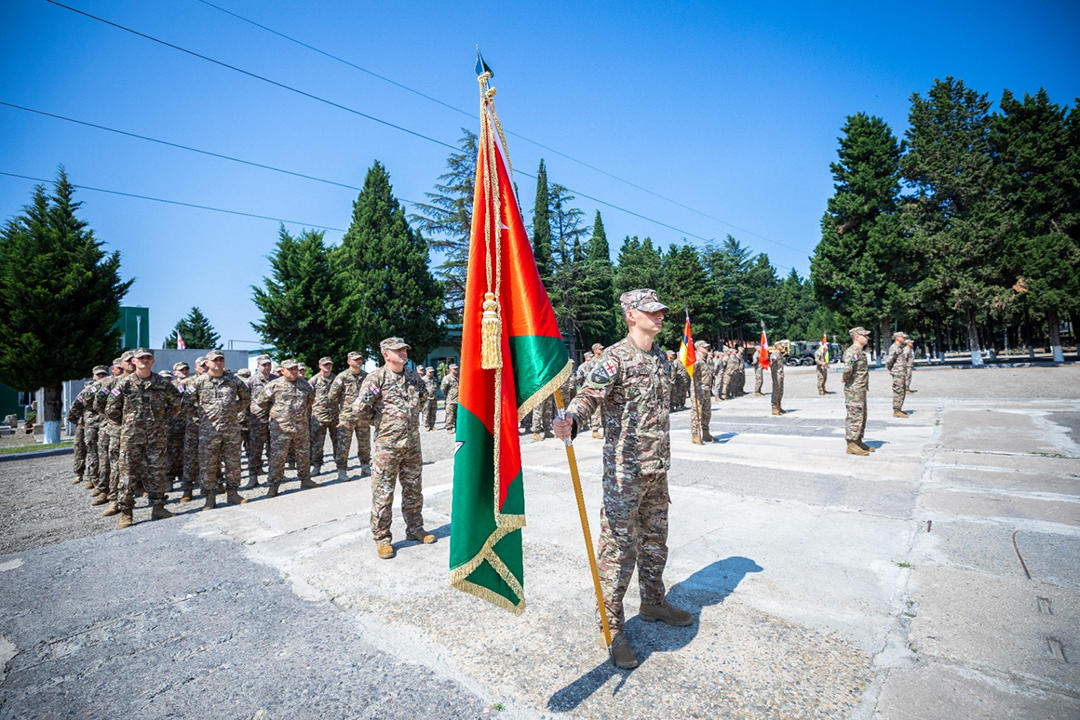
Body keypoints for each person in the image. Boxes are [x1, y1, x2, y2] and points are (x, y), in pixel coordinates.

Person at [553, 288, 692, 670]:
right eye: (651, 311)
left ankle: (652, 603)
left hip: (657, 469)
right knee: (618, 550)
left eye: (661, 311)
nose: (660, 316)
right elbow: (587, 397)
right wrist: (572, 421)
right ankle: (611, 626)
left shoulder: (661, 358)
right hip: (624, 474)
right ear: (631, 315)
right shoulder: (614, 358)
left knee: (654, 542)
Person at [353, 337, 435, 559]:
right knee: (383, 493)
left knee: (413, 489)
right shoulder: (376, 379)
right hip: (387, 446)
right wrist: (380, 422)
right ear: (386, 354)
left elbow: (425, 398)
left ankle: (415, 528)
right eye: (398, 351)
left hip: (411, 444)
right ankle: (382, 538)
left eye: (405, 350)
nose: (404, 354)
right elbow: (359, 409)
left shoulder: (412, 376)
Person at [105, 348, 182, 529]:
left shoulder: (162, 383)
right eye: (141, 358)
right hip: (131, 437)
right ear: (134, 361)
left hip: (156, 436)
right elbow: (110, 409)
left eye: (148, 358)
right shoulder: (125, 384)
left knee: (157, 472)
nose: (144, 361)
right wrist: (127, 423)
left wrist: (162, 418)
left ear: (152, 361)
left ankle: (158, 509)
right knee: (127, 475)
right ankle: (126, 514)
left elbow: (177, 403)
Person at [192, 350, 251, 509]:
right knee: (208, 465)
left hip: (231, 429)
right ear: (207, 363)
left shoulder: (234, 380)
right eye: (215, 360)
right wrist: (201, 419)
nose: (218, 363)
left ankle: (232, 493)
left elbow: (246, 398)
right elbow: (186, 404)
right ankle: (209, 498)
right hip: (208, 431)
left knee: (233, 463)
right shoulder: (199, 382)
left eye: (221, 360)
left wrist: (234, 410)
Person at [255, 358, 317, 498]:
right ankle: (273, 486)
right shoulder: (274, 385)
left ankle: (305, 479)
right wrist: (277, 413)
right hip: (280, 428)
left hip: (301, 427)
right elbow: (261, 402)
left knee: (303, 455)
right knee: (277, 457)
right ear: (282, 371)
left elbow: (310, 401)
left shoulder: (305, 385)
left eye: (295, 368)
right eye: (290, 369)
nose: (294, 371)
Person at [328, 351, 372, 481]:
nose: (358, 361)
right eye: (355, 360)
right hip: (347, 417)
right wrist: (345, 407)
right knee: (343, 445)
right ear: (349, 362)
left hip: (363, 416)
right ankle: (342, 470)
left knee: (365, 444)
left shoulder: (367, 377)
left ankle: (365, 467)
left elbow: (373, 393)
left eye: (360, 359)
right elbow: (332, 396)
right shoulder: (342, 377)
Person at [95, 355, 129, 516]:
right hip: (116, 430)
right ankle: (111, 497)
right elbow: (97, 402)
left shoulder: (142, 381)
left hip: (138, 431)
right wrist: (114, 418)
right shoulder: (111, 383)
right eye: (126, 362)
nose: (129, 364)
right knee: (115, 464)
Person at [843, 327, 873, 455]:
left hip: (860, 388)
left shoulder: (860, 352)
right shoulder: (852, 351)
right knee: (854, 416)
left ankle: (858, 440)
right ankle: (851, 444)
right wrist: (845, 379)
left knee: (861, 415)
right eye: (864, 335)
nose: (867, 338)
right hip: (854, 389)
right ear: (857, 337)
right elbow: (847, 369)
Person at [246, 355, 274, 487]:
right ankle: (253, 477)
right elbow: (244, 401)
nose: (267, 367)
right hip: (257, 421)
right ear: (258, 366)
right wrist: (248, 418)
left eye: (268, 364)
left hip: (275, 419)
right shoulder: (251, 381)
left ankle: (274, 475)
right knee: (255, 450)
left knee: (274, 449)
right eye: (264, 365)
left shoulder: (276, 380)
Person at [309, 356, 338, 476]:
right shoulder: (314, 380)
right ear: (320, 366)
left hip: (335, 416)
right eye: (325, 364)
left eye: (329, 364)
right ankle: (316, 466)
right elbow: (308, 397)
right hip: (319, 417)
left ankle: (340, 465)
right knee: (317, 444)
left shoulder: (336, 379)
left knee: (338, 442)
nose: (328, 366)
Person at [692, 341, 714, 443]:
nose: (707, 348)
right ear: (698, 348)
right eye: (705, 347)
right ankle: (696, 435)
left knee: (706, 412)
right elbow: (691, 373)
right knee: (697, 412)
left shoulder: (705, 360)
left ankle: (706, 433)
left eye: (707, 347)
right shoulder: (695, 359)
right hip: (698, 389)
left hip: (706, 389)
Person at [886, 331, 909, 418]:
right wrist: (890, 368)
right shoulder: (894, 347)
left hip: (901, 372)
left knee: (902, 391)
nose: (904, 339)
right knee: (898, 391)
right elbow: (890, 360)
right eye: (902, 337)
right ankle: (896, 410)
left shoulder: (899, 347)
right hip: (897, 373)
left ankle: (899, 409)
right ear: (897, 338)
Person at [769, 340, 789, 415]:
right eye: (781, 345)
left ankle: (778, 407)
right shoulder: (774, 354)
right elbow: (772, 363)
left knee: (780, 391)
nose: (783, 346)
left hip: (780, 375)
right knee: (776, 391)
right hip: (776, 376)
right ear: (777, 346)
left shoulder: (779, 354)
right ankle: (774, 408)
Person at [441, 363, 459, 433]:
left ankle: (457, 428)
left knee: (457, 415)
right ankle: (449, 428)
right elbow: (443, 389)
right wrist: (448, 396)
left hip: (458, 400)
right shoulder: (447, 378)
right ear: (450, 370)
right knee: (450, 414)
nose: (456, 370)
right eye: (454, 369)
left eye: (457, 368)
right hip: (451, 400)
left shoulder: (457, 377)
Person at [422, 367, 438, 431]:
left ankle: (432, 425)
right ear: (426, 372)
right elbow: (420, 389)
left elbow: (437, 387)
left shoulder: (434, 379)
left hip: (434, 398)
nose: (432, 373)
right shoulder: (423, 379)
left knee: (433, 412)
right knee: (426, 412)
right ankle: (426, 425)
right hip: (426, 398)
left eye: (432, 372)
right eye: (430, 372)